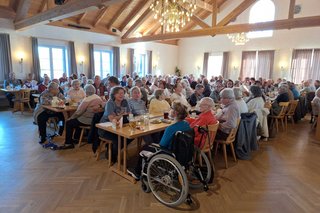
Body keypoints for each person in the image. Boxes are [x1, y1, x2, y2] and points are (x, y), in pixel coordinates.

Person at [127, 102, 191, 180]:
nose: (169, 110)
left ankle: (137, 173)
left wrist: (153, 144)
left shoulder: (170, 128)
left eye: (171, 108)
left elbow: (162, 145)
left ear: (175, 113)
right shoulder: (186, 124)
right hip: (183, 152)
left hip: (169, 153)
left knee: (144, 148)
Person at [61, 85, 104, 149]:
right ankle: (76, 137)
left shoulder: (87, 99)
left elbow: (79, 112)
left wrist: (71, 117)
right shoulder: (98, 97)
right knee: (76, 119)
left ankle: (68, 143)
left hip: (87, 120)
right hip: (95, 120)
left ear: (86, 91)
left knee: (69, 122)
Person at [98, 86, 131, 163]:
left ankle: (113, 150)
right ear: (114, 94)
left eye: (122, 93)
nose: (121, 95)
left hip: (119, 126)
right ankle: (112, 156)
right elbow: (111, 119)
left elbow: (129, 114)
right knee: (117, 139)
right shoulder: (110, 103)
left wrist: (122, 116)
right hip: (106, 128)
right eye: (119, 93)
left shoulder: (125, 101)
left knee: (130, 136)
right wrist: (122, 115)